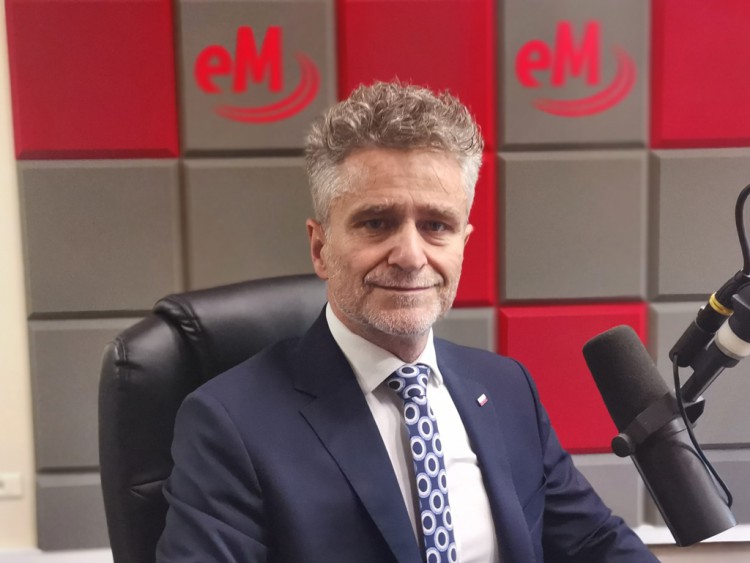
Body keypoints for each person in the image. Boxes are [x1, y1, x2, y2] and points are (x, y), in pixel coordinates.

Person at [156, 82, 658, 562]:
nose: (411, 256)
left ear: (463, 244)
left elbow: (595, 544)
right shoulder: (230, 425)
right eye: (377, 223)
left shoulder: (508, 390)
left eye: (436, 225)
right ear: (320, 247)